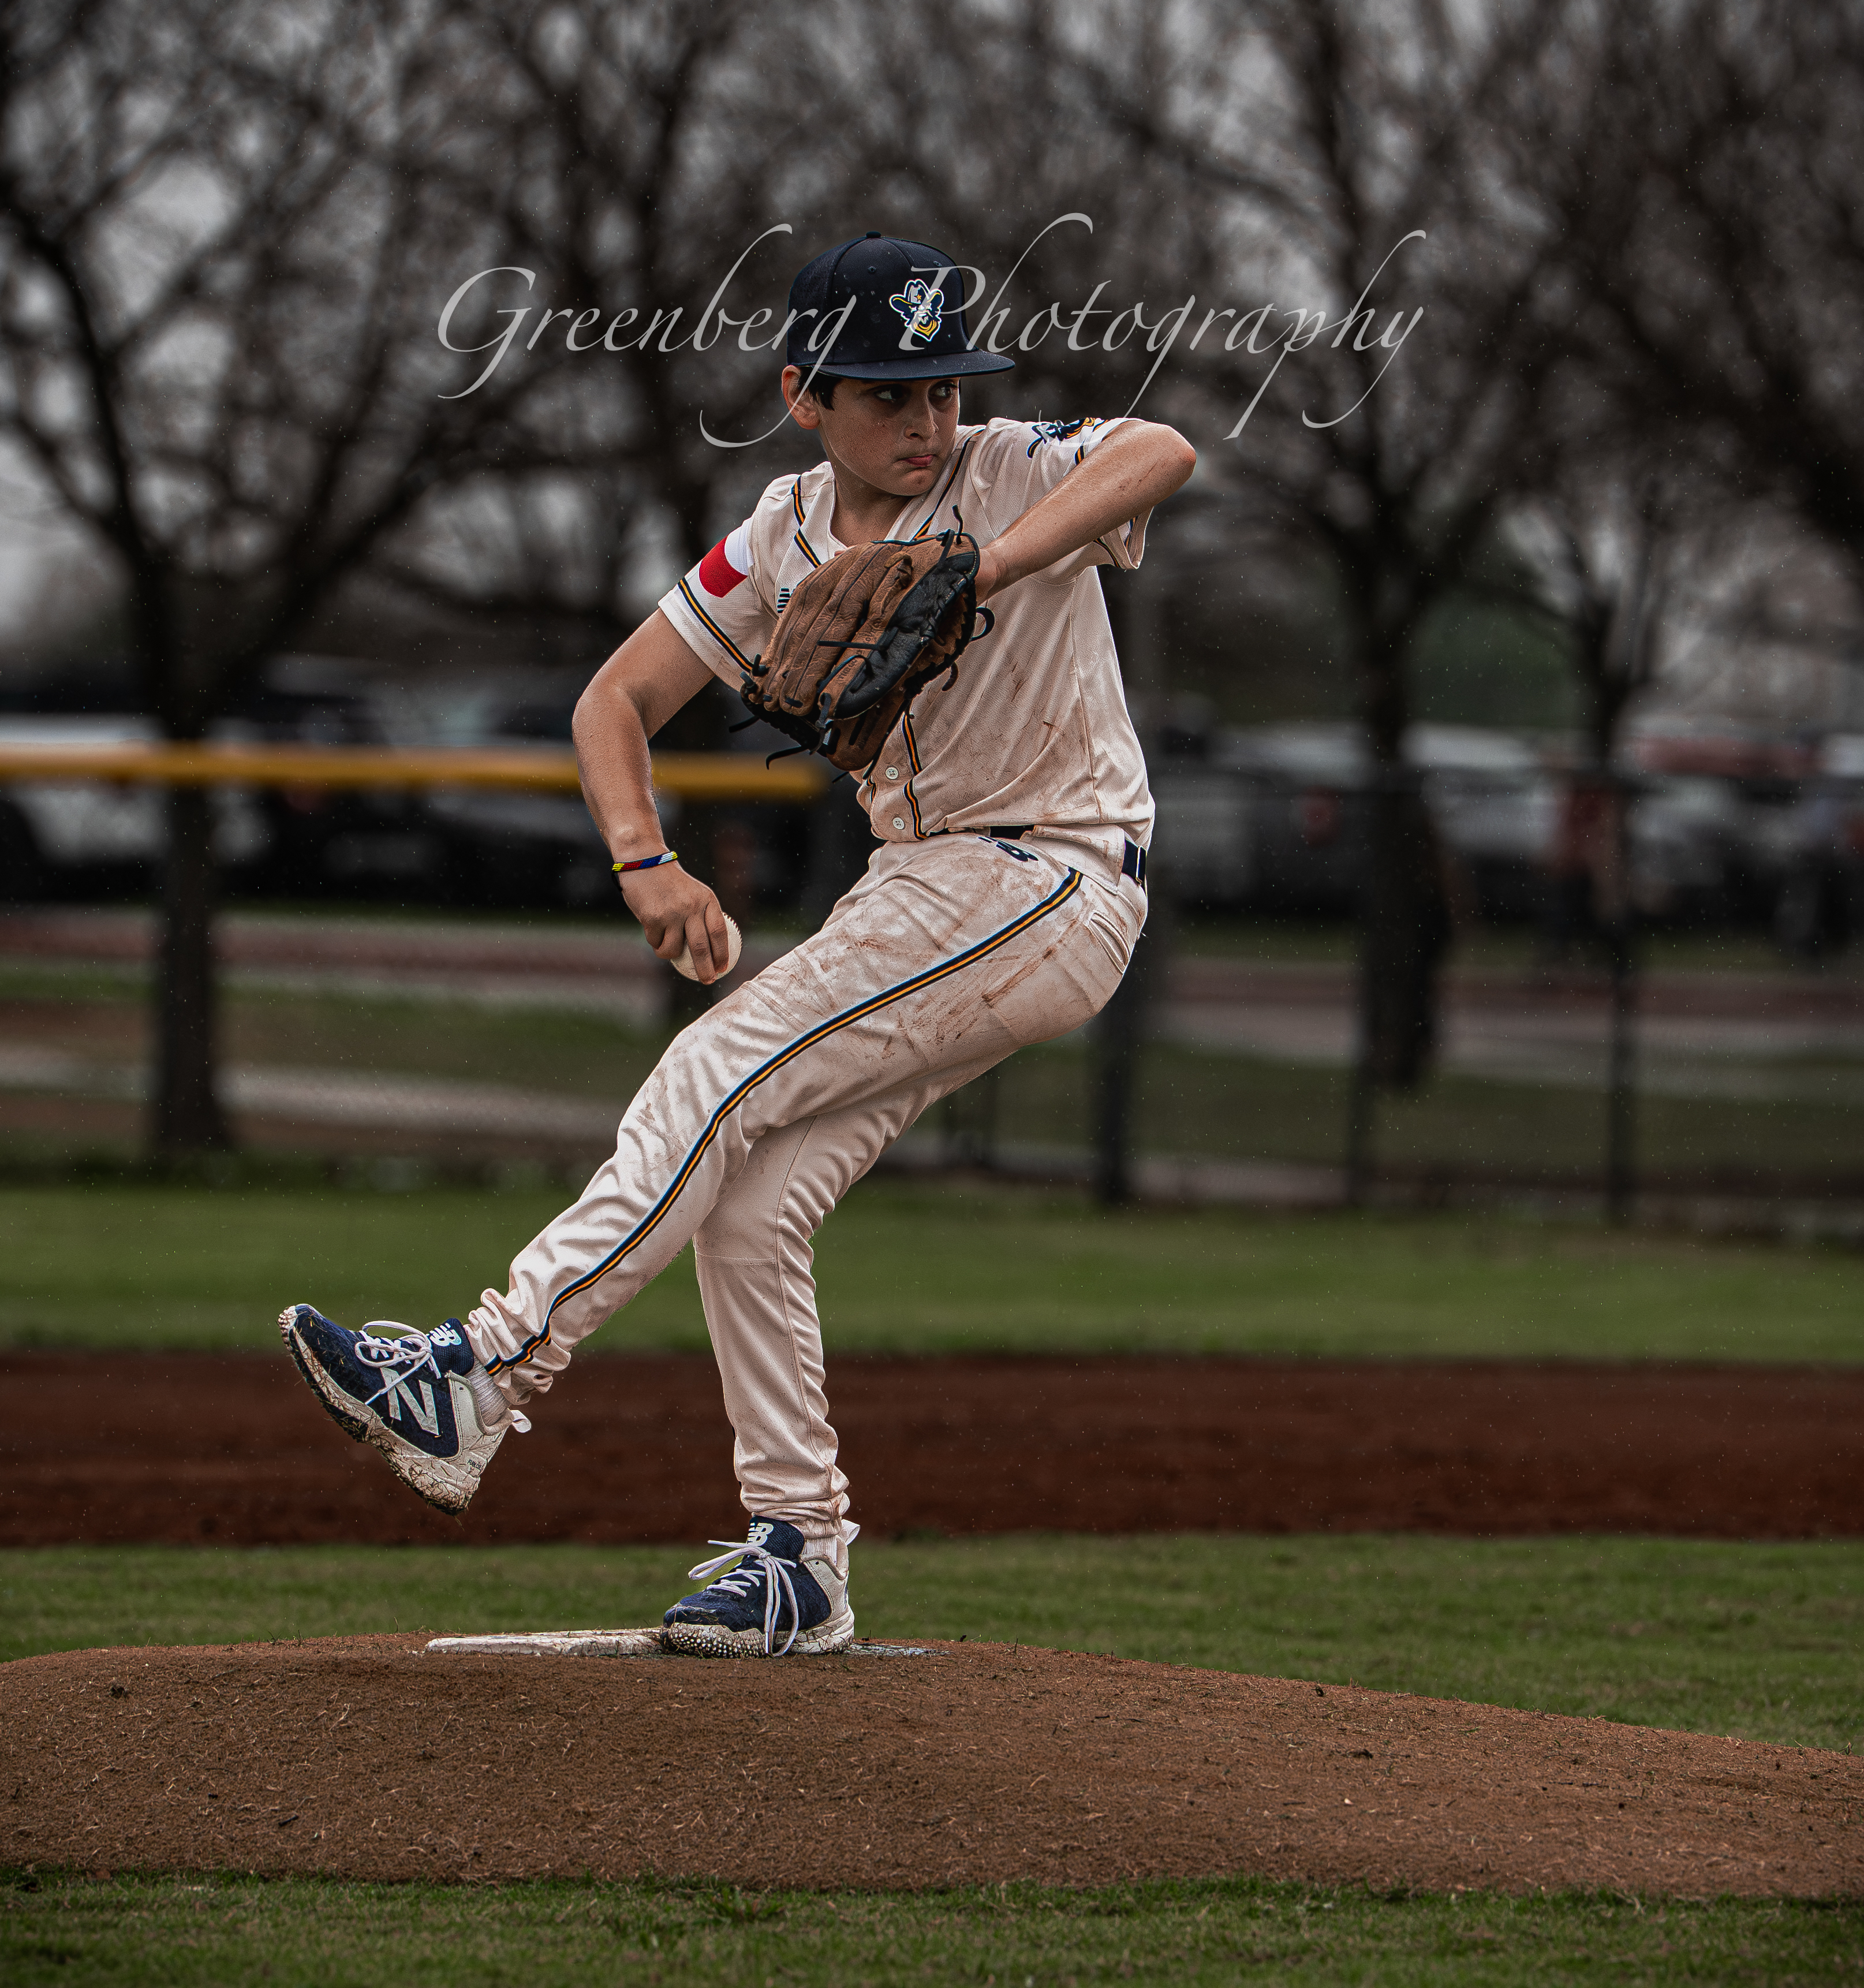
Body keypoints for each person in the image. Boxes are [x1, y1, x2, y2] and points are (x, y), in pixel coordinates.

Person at [279, 233, 1196, 1656]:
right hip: (935, 893)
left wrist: (983, 567)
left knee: (718, 1063)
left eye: (942, 387)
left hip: (1049, 869)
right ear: (803, 394)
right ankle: (800, 1557)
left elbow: (1164, 450)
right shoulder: (775, 540)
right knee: (754, 1196)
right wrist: (644, 861)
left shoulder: (1012, 469)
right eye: (888, 392)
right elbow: (611, 704)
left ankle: (481, 1374)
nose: (925, 419)